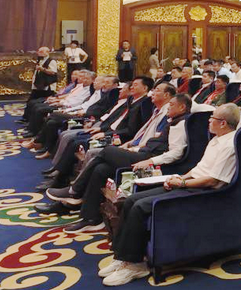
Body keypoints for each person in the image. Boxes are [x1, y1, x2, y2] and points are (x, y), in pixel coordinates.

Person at [99, 103, 241, 286]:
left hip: (203, 192)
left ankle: (136, 265)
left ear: (223, 123)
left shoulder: (229, 145)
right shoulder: (216, 139)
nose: (208, 120)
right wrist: (180, 178)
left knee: (140, 207)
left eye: (212, 118)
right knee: (131, 200)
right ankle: (122, 257)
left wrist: (182, 183)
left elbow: (212, 180)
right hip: (191, 183)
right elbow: (199, 168)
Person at [48, 92, 191, 231]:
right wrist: (134, 149)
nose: (169, 107)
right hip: (145, 153)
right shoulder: (174, 121)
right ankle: (91, 218)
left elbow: (176, 153)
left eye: (172, 105)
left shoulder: (180, 123)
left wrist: (150, 161)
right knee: (101, 169)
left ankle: (75, 190)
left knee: (107, 151)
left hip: (150, 159)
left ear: (182, 107)